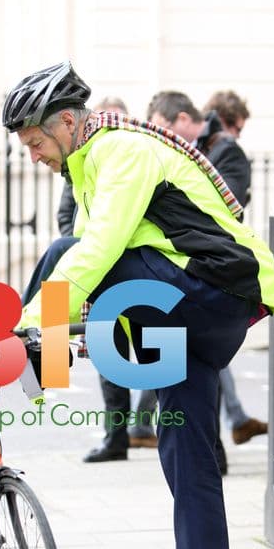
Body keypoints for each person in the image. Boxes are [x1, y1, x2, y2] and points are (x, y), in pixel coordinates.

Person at [3, 61, 274, 549]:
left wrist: (33, 325)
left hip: (213, 287)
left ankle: (37, 361)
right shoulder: (84, 171)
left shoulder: (120, 150)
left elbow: (98, 251)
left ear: (69, 123)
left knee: (66, 251)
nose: (32, 156)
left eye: (34, 143)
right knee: (186, 454)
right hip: (189, 314)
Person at [146, 91, 267, 467]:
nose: (160, 135)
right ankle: (208, 443)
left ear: (183, 120)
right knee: (183, 367)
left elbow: (223, 207)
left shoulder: (222, 149)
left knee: (198, 363)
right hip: (185, 269)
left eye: (164, 128)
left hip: (211, 273)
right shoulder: (176, 151)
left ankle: (211, 446)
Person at [54, 96, 159, 462]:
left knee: (159, 359)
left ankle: (163, 431)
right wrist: (81, 245)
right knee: (108, 356)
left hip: (137, 272)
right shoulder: (79, 165)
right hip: (99, 271)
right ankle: (117, 437)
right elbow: (66, 214)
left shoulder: (132, 159)